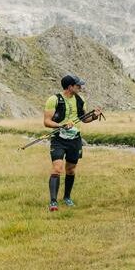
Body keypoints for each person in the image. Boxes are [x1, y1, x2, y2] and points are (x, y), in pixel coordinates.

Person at [43, 75, 102, 212]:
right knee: (57, 168)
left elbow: (84, 119)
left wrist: (94, 116)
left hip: (75, 140)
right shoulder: (54, 100)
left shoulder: (80, 100)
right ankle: (53, 202)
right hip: (59, 139)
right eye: (78, 86)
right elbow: (47, 121)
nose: (80, 88)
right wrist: (62, 125)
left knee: (71, 170)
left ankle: (67, 197)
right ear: (70, 87)